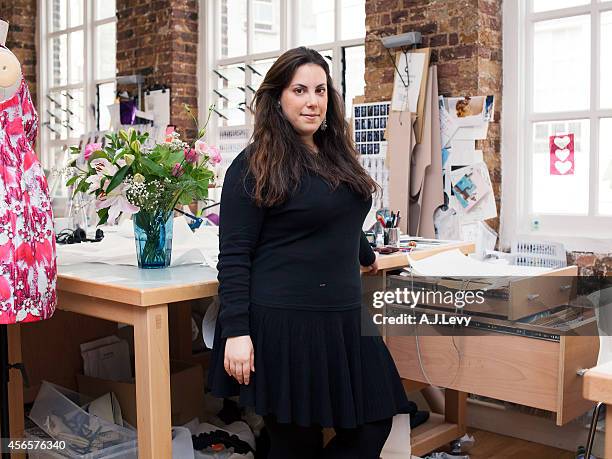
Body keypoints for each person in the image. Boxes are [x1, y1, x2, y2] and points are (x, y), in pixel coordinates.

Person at [208, 47, 411, 459]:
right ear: (277, 97)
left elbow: (339, 213)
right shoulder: (253, 165)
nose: (312, 100)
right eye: (299, 90)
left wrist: (365, 252)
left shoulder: (335, 153)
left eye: (320, 90)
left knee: (375, 421)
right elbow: (233, 254)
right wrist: (235, 331)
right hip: (285, 322)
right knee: (296, 442)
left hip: (343, 316)